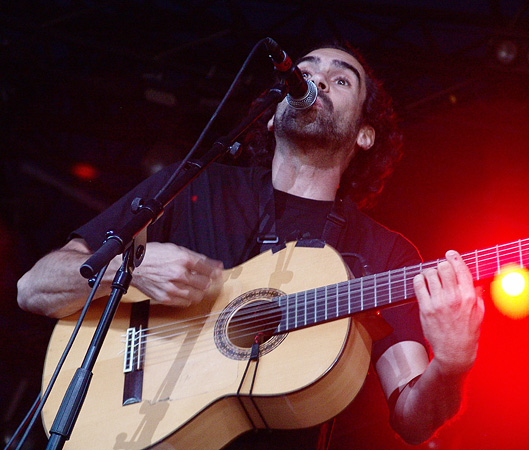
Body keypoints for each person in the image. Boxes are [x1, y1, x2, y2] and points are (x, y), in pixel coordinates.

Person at [17, 43, 484, 448]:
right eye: (307, 68)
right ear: (271, 115)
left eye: (341, 80)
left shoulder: (384, 255)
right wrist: (131, 269)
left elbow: (413, 420)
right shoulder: (190, 188)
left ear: (365, 134)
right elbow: (32, 288)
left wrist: (453, 362)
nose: (317, 78)